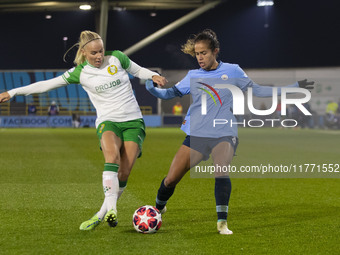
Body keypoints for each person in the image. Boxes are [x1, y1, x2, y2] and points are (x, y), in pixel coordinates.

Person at [145, 29, 314, 235]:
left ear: (215, 51)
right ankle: (158, 207)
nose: (200, 58)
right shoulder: (193, 76)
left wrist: (294, 87)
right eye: (197, 53)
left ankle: (222, 223)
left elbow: (259, 90)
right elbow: (170, 93)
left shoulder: (233, 71)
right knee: (171, 179)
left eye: (204, 53)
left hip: (224, 131)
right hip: (197, 133)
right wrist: (153, 89)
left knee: (221, 169)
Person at [0, 30, 167, 230]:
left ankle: (100, 214)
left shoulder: (117, 58)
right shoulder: (80, 72)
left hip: (133, 121)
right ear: (84, 52)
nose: (98, 57)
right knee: (111, 157)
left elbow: (138, 70)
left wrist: (154, 75)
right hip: (108, 121)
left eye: (101, 52)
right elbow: (46, 85)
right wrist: (13, 91)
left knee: (124, 173)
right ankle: (112, 210)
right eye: (94, 53)